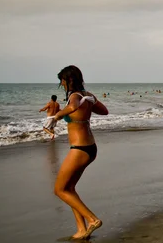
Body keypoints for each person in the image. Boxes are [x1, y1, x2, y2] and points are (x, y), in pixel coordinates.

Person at [52, 65, 108, 240]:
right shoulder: (87, 96)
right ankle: (81, 230)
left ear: (69, 80)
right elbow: (104, 111)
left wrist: (57, 116)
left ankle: (92, 220)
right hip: (90, 148)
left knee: (60, 190)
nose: (62, 85)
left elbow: (72, 107)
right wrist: (92, 100)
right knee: (69, 188)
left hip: (79, 149)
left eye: (62, 81)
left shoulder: (75, 96)